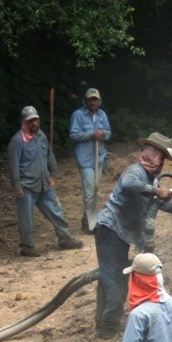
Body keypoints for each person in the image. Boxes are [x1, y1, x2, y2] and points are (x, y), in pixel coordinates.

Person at [94, 132, 172, 338]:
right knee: (116, 283)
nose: (162, 163)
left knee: (111, 277)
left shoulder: (150, 180)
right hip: (110, 230)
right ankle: (107, 327)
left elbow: (164, 205)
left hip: (119, 234)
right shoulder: (135, 172)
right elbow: (129, 185)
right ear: (152, 154)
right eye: (161, 158)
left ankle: (103, 322)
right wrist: (156, 191)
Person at [8, 105, 83, 257]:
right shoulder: (16, 142)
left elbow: (49, 155)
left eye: (36, 120)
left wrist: (52, 172)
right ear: (23, 122)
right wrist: (17, 186)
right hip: (26, 186)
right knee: (26, 219)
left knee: (56, 211)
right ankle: (27, 247)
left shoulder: (41, 136)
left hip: (44, 183)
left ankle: (65, 239)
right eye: (30, 121)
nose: (34, 123)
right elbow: (13, 166)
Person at [69, 88, 112, 233]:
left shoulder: (102, 115)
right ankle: (91, 224)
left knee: (96, 191)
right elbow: (74, 135)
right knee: (89, 192)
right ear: (85, 101)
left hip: (99, 157)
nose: (92, 102)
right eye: (90, 99)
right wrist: (91, 134)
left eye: (95, 99)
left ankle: (87, 218)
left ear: (99, 101)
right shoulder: (78, 115)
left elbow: (108, 133)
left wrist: (103, 134)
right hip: (85, 159)